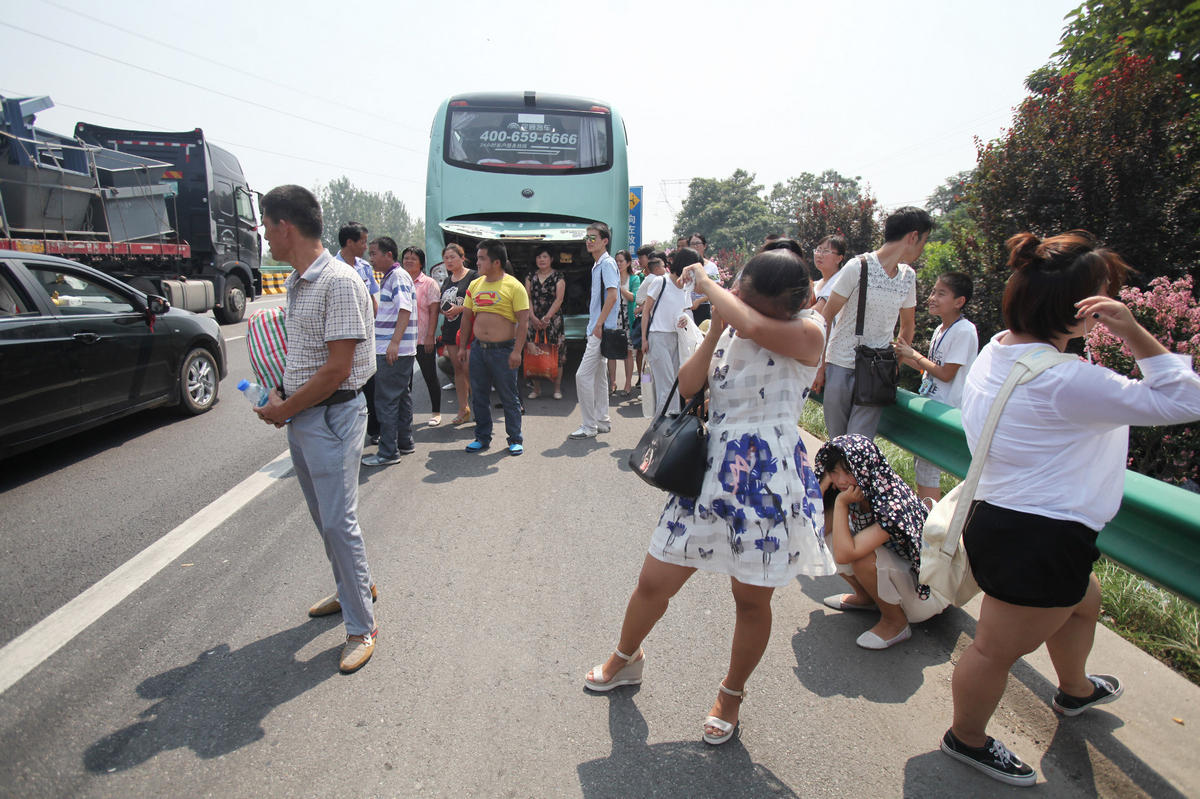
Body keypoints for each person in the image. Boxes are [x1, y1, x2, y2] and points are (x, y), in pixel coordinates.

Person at [940, 231, 1200, 787]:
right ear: (1080, 310)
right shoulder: (1067, 380)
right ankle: (966, 738)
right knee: (992, 649)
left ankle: (1075, 689)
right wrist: (1132, 330)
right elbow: (1186, 398)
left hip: (1005, 518)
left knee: (1083, 602)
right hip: (1040, 535)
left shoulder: (999, 349)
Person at [584, 248, 833, 747]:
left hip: (765, 481)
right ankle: (626, 656)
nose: (736, 299)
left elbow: (756, 326)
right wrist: (716, 330)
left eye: (745, 294)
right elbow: (690, 385)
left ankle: (731, 693)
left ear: (788, 303)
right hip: (709, 472)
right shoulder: (732, 326)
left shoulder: (809, 330)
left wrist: (704, 279)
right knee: (655, 576)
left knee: (750, 598)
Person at [253, 185, 378, 674]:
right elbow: (303, 354)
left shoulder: (339, 282)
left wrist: (285, 410)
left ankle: (361, 625)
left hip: (332, 416)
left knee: (336, 521)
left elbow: (336, 370)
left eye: (266, 225)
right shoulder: (297, 281)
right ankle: (355, 586)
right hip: (304, 416)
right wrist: (278, 395)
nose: (265, 235)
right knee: (323, 516)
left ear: (286, 226)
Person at [817, 206, 930, 440]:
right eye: (923, 241)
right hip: (840, 363)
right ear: (913, 237)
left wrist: (895, 363)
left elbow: (908, 325)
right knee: (837, 441)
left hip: (877, 371)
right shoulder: (858, 267)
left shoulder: (907, 276)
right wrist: (820, 366)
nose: (922, 249)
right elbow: (826, 317)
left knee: (859, 445)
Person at [815, 435, 931, 649]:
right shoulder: (859, 489)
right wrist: (823, 485)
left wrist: (841, 504)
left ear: (865, 467)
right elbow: (816, 532)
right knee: (828, 538)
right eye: (834, 472)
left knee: (860, 558)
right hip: (898, 574)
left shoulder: (892, 502)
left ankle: (896, 622)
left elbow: (844, 555)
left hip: (924, 592)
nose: (841, 481)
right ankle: (866, 598)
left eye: (848, 471)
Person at [894, 271, 979, 504]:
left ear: (959, 302)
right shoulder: (941, 329)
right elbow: (930, 369)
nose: (932, 297)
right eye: (933, 291)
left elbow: (946, 373)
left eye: (941, 293)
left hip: (947, 409)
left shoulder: (964, 330)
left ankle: (929, 525)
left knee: (928, 469)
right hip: (932, 404)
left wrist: (914, 355)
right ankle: (927, 523)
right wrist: (903, 353)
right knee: (923, 467)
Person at [457, 240, 530, 455]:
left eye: (482, 258)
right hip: (479, 349)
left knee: (509, 396)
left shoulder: (515, 286)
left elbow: (523, 322)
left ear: (496, 262)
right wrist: (463, 347)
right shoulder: (475, 285)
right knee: (478, 395)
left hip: (504, 350)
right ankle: (482, 437)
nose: (476, 262)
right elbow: (467, 318)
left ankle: (515, 439)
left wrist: (517, 351)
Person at [362, 237, 416, 468]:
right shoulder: (392, 277)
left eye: (374, 254)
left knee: (386, 401)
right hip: (396, 349)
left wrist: (393, 343)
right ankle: (404, 441)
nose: (370, 258)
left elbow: (405, 309)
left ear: (388, 255)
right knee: (401, 396)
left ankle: (388, 452)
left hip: (393, 350)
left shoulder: (398, 276)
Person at [568, 222, 620, 440]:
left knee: (582, 376)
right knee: (599, 377)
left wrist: (598, 324)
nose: (589, 242)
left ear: (605, 241)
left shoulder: (606, 264)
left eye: (593, 237)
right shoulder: (598, 264)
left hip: (600, 330)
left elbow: (613, 295)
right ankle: (603, 421)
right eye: (587, 238)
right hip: (600, 328)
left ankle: (589, 426)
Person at [641, 247, 700, 417]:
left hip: (677, 339)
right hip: (657, 337)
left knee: (674, 383)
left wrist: (684, 319)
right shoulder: (661, 282)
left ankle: (667, 423)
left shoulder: (685, 288)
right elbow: (646, 312)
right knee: (666, 385)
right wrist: (644, 339)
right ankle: (661, 425)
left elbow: (686, 312)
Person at [335, 222, 381, 443]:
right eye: (362, 241)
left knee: (370, 385)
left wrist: (375, 326)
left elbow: (372, 298)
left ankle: (374, 430)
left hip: (365, 336)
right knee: (346, 386)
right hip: (343, 336)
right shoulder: (332, 268)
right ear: (349, 242)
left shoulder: (364, 267)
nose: (365, 246)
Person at [403, 246, 444, 427]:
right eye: (406, 258)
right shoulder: (400, 281)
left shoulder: (429, 283)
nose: (408, 261)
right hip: (403, 340)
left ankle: (436, 412)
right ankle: (406, 415)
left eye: (413, 258)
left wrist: (430, 336)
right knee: (405, 380)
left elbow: (434, 313)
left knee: (430, 376)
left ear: (421, 262)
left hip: (422, 339)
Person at [439, 243, 477, 425]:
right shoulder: (447, 280)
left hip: (469, 330)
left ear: (463, 258)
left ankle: (479, 408)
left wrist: (459, 308)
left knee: (472, 370)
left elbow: (479, 303)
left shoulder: (474, 277)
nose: (448, 261)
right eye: (446, 258)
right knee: (458, 370)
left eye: (452, 257)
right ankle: (463, 409)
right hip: (450, 330)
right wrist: (445, 310)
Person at [524, 244, 566, 400]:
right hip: (533, 318)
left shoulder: (558, 276)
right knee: (533, 352)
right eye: (539, 257)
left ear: (551, 259)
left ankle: (557, 388)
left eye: (545, 257)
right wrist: (533, 317)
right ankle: (536, 389)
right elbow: (526, 297)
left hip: (553, 319)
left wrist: (547, 317)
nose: (541, 260)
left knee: (557, 354)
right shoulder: (530, 276)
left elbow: (559, 299)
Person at [608, 249, 640, 396]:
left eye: (621, 261)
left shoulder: (634, 279)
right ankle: (612, 382)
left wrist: (619, 288)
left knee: (628, 351)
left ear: (628, 263)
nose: (619, 263)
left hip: (628, 316)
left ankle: (628, 384)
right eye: (617, 261)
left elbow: (634, 297)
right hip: (613, 316)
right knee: (611, 352)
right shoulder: (611, 276)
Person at [631, 244, 656, 380]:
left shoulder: (657, 276)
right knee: (640, 350)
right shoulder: (639, 276)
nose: (639, 261)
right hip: (641, 319)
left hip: (653, 319)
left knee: (649, 351)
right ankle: (642, 380)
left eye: (642, 257)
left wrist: (642, 307)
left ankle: (648, 382)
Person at [687, 232, 721, 325]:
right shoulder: (684, 266)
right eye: (692, 244)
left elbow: (716, 289)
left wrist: (699, 301)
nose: (695, 246)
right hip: (686, 307)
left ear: (704, 246)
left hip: (703, 307)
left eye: (698, 243)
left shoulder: (711, 267)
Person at [811, 234, 848, 314]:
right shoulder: (816, 284)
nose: (819, 255)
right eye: (818, 250)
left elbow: (816, 312)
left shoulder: (839, 281)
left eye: (826, 251)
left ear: (839, 258)